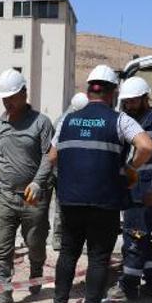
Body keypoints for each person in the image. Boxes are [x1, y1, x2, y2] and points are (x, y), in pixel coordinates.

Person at [47, 65, 152, 303]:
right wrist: (130, 169)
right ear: (112, 93)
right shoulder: (120, 120)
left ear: (89, 90)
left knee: (69, 252)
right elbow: (146, 146)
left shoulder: (67, 120)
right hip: (104, 201)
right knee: (98, 257)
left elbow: (51, 156)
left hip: (70, 200)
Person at [0, 69, 55, 303]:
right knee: (2, 248)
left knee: (35, 243)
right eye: (4, 98)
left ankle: (36, 270)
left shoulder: (41, 123)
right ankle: (4, 293)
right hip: (4, 196)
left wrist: (37, 182)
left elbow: (48, 156)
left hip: (34, 198)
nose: (7, 102)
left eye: (12, 96)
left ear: (24, 93)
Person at [108, 77, 152, 300]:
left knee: (134, 239)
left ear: (145, 98)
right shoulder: (129, 121)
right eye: (126, 102)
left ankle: (128, 286)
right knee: (141, 238)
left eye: (134, 101)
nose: (129, 106)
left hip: (146, 193)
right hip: (132, 192)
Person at [49, 92, 89, 251]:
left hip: (73, 172)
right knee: (62, 207)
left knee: (72, 207)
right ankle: (59, 237)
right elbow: (53, 150)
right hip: (63, 172)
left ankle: (65, 238)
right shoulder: (63, 121)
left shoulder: (73, 119)